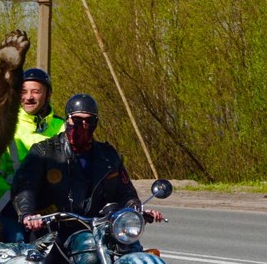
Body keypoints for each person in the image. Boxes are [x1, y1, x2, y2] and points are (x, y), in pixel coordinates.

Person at [12, 93, 164, 246]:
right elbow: (25, 186)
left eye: (89, 120)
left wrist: (136, 209)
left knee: (132, 249)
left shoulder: (108, 155)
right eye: (77, 120)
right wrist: (28, 214)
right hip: (54, 229)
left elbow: (124, 191)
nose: (83, 125)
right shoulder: (44, 152)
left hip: (99, 228)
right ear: (67, 119)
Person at [0, 68, 65, 242]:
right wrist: (15, 206)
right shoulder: (5, 126)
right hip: (12, 210)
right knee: (18, 242)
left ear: (48, 94)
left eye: (35, 91)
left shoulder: (62, 126)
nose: (28, 97)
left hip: (53, 210)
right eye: (23, 92)